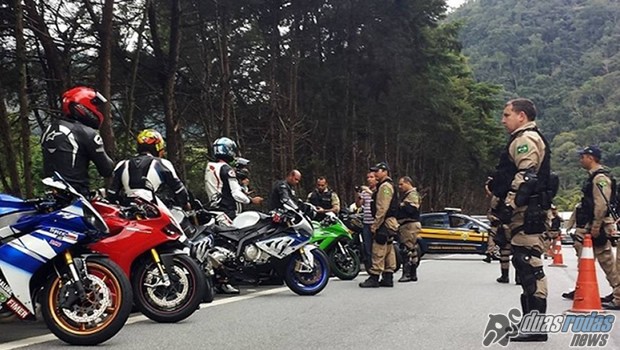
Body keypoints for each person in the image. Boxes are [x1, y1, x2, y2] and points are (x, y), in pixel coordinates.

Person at [487, 98, 552, 342]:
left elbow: (527, 176)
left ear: (521, 116)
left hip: (527, 215)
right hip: (523, 215)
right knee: (523, 265)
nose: (503, 120)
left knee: (529, 266)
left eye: (506, 115)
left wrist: (507, 205)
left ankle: (535, 328)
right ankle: (530, 325)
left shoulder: (525, 140)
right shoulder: (522, 139)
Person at [563, 145, 620, 309]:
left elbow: (601, 204)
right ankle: (582, 289)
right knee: (585, 260)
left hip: (597, 226)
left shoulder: (600, 178)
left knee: (606, 260)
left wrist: (596, 226)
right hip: (590, 225)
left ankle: (618, 292)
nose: (581, 159)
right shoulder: (593, 177)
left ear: (591, 157)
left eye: (583, 156)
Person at [41, 86, 114, 196]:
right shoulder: (86, 132)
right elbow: (107, 169)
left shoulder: (49, 129)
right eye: (96, 106)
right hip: (76, 197)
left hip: (52, 195)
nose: (97, 110)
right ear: (83, 105)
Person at [107, 129, 189, 208]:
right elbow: (180, 191)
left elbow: (112, 193)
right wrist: (185, 204)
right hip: (153, 210)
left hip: (127, 211)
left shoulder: (122, 164)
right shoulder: (162, 163)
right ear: (158, 147)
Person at [359, 162, 399, 288]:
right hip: (389, 222)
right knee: (388, 249)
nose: (375, 174)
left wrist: (375, 225)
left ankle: (374, 276)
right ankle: (388, 277)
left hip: (384, 222)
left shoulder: (385, 186)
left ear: (385, 171)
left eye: (377, 171)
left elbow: (382, 207)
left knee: (378, 248)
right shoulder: (385, 185)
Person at [205, 137, 263, 219]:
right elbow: (236, 194)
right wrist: (251, 200)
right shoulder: (226, 169)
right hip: (227, 212)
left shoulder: (210, 167)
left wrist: (243, 186)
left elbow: (223, 188)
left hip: (215, 209)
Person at [396, 176, 421, 283]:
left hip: (409, 224)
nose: (399, 187)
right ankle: (413, 274)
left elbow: (412, 209)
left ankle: (407, 273)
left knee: (406, 249)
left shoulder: (412, 195)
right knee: (412, 249)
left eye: (401, 184)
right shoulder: (408, 195)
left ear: (408, 183)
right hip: (408, 224)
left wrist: (401, 206)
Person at [359, 173, 377, 271]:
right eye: (368, 177)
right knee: (367, 246)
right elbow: (359, 205)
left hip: (376, 222)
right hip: (366, 222)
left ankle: (378, 266)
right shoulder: (365, 192)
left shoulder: (378, 190)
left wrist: (369, 191)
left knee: (377, 247)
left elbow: (377, 200)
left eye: (371, 177)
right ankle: (370, 267)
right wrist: (358, 195)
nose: (369, 179)